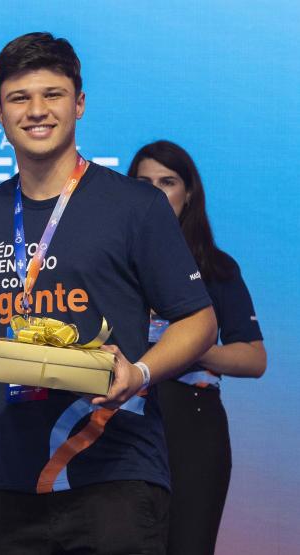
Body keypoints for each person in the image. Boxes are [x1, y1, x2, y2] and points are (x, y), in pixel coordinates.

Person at [0, 33, 218, 554]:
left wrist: (140, 372)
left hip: (115, 471)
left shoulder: (135, 205)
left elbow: (199, 321)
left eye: (53, 95)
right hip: (13, 480)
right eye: (19, 98)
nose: (36, 111)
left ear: (78, 103)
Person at [129, 140, 266, 555]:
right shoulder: (110, 261)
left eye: (167, 182)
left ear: (188, 193)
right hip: (122, 421)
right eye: (143, 182)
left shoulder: (215, 266)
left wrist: (188, 346)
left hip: (193, 421)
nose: (155, 192)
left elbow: (254, 358)